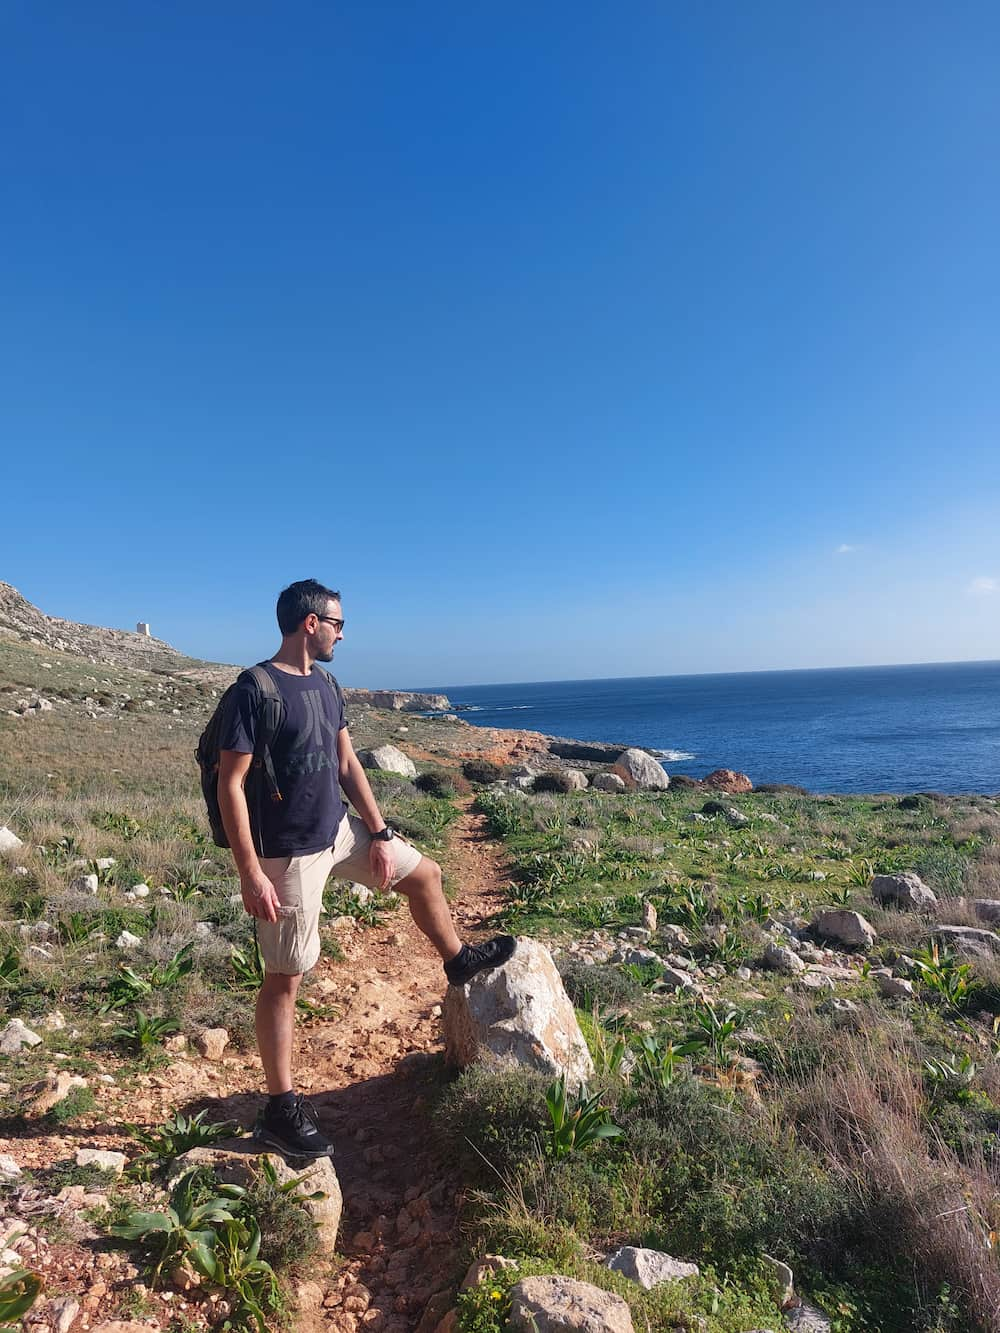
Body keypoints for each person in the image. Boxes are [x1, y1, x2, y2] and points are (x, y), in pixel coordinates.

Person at [217, 578, 515, 1157]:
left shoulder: (326, 684)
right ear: (310, 623)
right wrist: (250, 872)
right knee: (286, 978)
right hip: (287, 852)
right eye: (338, 623)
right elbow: (231, 784)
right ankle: (280, 1108)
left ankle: (457, 961)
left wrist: (378, 831)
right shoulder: (253, 691)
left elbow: (347, 761)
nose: (342, 633)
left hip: (339, 833)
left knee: (424, 875)